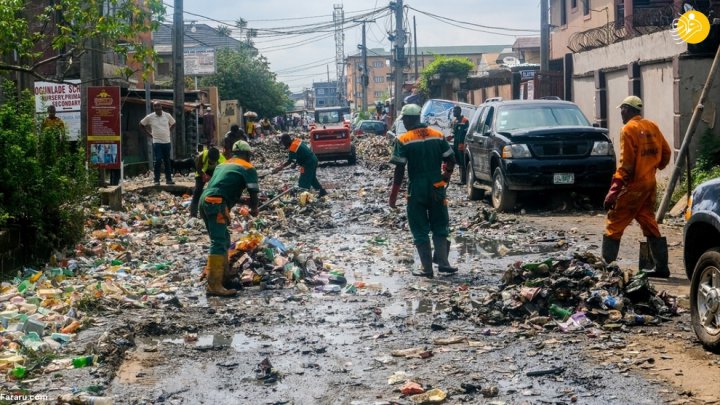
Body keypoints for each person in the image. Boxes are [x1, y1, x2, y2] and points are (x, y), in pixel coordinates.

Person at [602, 96, 672, 278]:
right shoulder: (652, 126)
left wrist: (613, 192)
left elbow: (626, 165)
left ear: (628, 109)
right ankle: (661, 267)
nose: (621, 113)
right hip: (649, 183)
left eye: (622, 109)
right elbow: (666, 152)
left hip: (633, 185)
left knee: (614, 223)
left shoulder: (628, 129)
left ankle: (606, 269)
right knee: (649, 221)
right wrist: (654, 167)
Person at [388, 104, 457, 279]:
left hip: (417, 189)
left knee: (419, 228)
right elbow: (451, 158)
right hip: (437, 187)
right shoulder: (438, 136)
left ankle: (427, 268)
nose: (403, 121)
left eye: (404, 119)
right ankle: (443, 263)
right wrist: (445, 177)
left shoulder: (404, 140)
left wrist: (393, 196)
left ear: (410, 119)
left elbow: (399, 170)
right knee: (440, 224)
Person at [199, 140, 260, 296]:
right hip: (216, 203)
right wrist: (254, 208)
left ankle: (223, 277)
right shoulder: (248, 167)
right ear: (247, 154)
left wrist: (242, 201)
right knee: (218, 242)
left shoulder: (223, 165)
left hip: (205, 201)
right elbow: (254, 192)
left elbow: (221, 187)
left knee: (224, 239)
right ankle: (214, 285)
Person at [273, 133, 328, 197]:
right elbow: (299, 153)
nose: (283, 144)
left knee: (303, 180)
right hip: (313, 159)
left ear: (286, 141)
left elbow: (290, 161)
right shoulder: (296, 140)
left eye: (283, 142)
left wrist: (281, 167)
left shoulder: (292, 148)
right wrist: (295, 163)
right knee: (312, 178)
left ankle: (304, 196)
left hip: (308, 163)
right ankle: (322, 192)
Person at [140, 101, 176, 185]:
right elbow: (141, 124)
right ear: (154, 108)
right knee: (158, 160)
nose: (157, 108)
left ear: (161, 107)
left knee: (167, 160)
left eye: (158, 106)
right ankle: (156, 180)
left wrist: (169, 130)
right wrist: (149, 134)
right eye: (155, 106)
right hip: (157, 141)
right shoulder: (150, 117)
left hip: (167, 141)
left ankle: (169, 179)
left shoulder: (167, 115)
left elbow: (173, 123)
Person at [189, 145, 225, 218]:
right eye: (211, 161)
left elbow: (222, 174)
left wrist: (212, 178)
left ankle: (215, 212)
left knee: (217, 192)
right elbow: (198, 167)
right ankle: (193, 214)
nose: (212, 163)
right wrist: (203, 175)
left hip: (215, 173)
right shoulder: (203, 155)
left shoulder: (222, 160)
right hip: (202, 172)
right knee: (197, 191)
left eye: (214, 162)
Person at [451, 106, 470, 185]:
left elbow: (466, 133)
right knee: (458, 161)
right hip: (456, 144)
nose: (454, 112)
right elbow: (454, 133)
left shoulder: (465, 121)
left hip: (462, 144)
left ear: (459, 111)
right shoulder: (455, 121)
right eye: (453, 111)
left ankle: (464, 180)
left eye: (455, 111)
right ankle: (461, 179)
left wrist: (464, 144)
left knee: (463, 162)